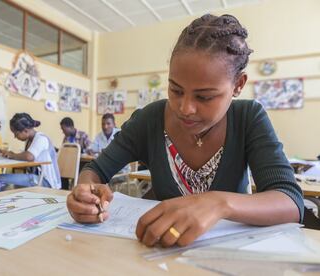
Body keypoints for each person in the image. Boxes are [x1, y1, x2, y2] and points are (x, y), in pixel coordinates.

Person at [66, 14, 303, 248]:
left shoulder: (248, 117)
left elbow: (290, 202)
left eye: (204, 96)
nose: (185, 108)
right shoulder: (149, 119)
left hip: (229, 255)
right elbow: (95, 170)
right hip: (161, 253)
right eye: (175, 90)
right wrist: (86, 194)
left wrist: (218, 203)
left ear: (238, 85)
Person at [0, 113, 61, 190]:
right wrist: (6, 154)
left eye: (16, 134)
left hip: (47, 182)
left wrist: (12, 154)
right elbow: (26, 158)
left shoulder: (41, 139)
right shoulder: (29, 140)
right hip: (36, 177)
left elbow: (29, 157)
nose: (15, 137)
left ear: (26, 131)